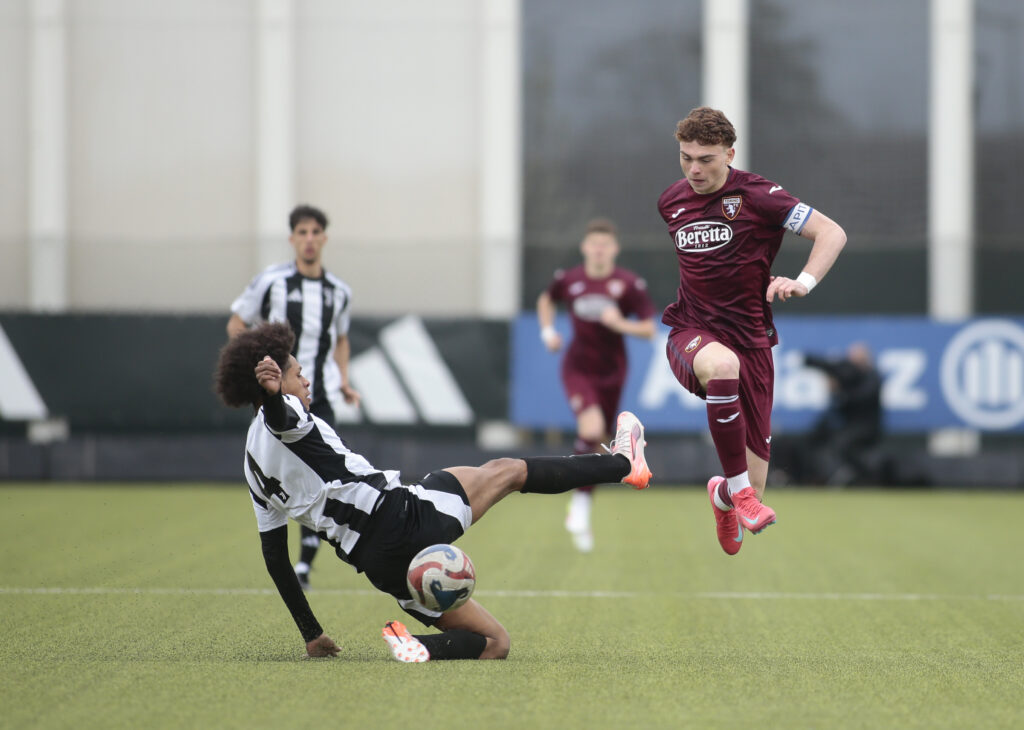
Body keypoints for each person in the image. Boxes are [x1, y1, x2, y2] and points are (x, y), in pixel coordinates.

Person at [213, 322, 652, 662]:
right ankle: (623, 463)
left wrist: (312, 633)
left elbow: (275, 559)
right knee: (507, 471)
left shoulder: (251, 468)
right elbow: (281, 420)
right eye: (298, 374)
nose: (306, 382)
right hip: (400, 517)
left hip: (378, 564)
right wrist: (273, 396)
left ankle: (412, 646)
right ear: (273, 384)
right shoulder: (284, 409)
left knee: (495, 643)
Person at [658, 106, 847, 556]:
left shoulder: (760, 196)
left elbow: (832, 233)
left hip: (753, 343)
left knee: (756, 489)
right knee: (723, 365)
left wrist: (801, 282)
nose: (694, 168)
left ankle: (727, 496)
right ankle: (738, 493)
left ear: (730, 154)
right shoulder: (671, 201)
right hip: (692, 331)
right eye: (686, 157)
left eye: (706, 158)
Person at [227, 204, 361, 590]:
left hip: (317, 397)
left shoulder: (339, 292)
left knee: (331, 475)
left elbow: (341, 339)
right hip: (276, 400)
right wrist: (255, 370)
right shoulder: (272, 282)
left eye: (315, 231)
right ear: (292, 239)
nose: (308, 239)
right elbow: (237, 321)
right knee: (282, 472)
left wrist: (345, 381)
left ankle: (305, 564)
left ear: (324, 238)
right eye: (301, 232)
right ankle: (297, 558)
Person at [536, 218, 657, 552]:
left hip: (613, 372)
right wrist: (548, 333)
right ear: (585, 247)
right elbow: (546, 300)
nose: (599, 249)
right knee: (591, 428)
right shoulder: (570, 280)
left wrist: (620, 324)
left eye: (606, 244)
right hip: (577, 367)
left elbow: (649, 328)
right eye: (594, 243)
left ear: (614, 249)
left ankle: (583, 503)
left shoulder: (628, 284)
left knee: (599, 439)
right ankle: (578, 506)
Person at [802, 342, 883, 486]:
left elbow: (860, 398)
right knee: (819, 438)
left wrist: (839, 391)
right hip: (848, 425)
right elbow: (827, 365)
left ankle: (849, 475)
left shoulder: (873, 377)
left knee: (841, 444)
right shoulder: (848, 372)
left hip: (867, 427)